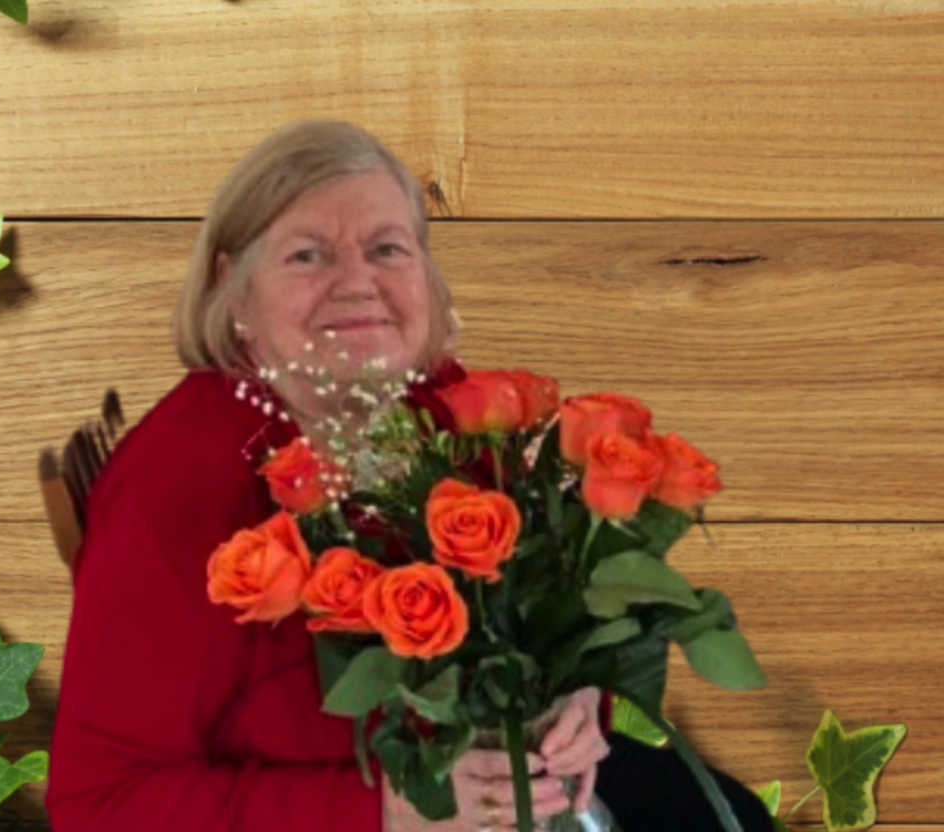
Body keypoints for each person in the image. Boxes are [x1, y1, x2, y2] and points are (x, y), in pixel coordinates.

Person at [46, 120, 770, 832]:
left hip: (485, 782)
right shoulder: (177, 486)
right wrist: (384, 813)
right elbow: (99, 803)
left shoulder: (435, 408)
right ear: (232, 289)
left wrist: (572, 703)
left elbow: (529, 614)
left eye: (387, 249)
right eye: (307, 255)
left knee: (727, 814)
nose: (357, 283)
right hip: (328, 815)